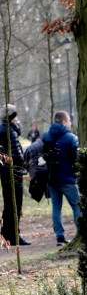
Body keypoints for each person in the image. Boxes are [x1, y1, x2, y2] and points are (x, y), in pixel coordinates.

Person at [42, 110, 81, 246]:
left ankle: (60, 237)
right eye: (69, 120)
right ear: (64, 122)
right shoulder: (71, 138)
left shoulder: (47, 137)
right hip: (67, 178)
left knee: (56, 208)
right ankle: (82, 233)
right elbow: (76, 160)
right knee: (77, 206)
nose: (70, 123)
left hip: (52, 178)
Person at [0, 104, 31, 245]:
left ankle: (6, 234)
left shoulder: (5, 129)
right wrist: (22, 166)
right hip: (12, 172)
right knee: (15, 204)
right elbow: (16, 155)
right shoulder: (9, 131)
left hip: (7, 171)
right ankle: (13, 236)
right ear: (12, 117)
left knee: (10, 204)